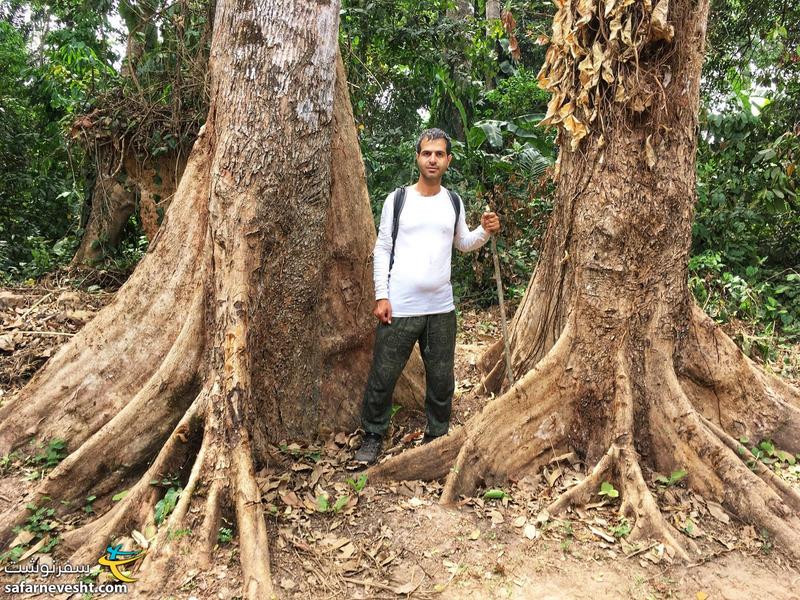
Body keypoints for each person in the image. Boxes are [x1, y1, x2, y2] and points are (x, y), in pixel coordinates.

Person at [354, 128, 501, 464]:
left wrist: (484, 230)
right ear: (418, 157)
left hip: (440, 308)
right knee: (383, 373)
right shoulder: (399, 199)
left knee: (441, 378)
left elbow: (463, 243)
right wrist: (382, 296)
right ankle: (373, 434)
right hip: (401, 306)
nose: (432, 159)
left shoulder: (453, 201)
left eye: (439, 154)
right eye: (426, 153)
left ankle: (437, 436)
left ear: (448, 160)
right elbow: (383, 247)